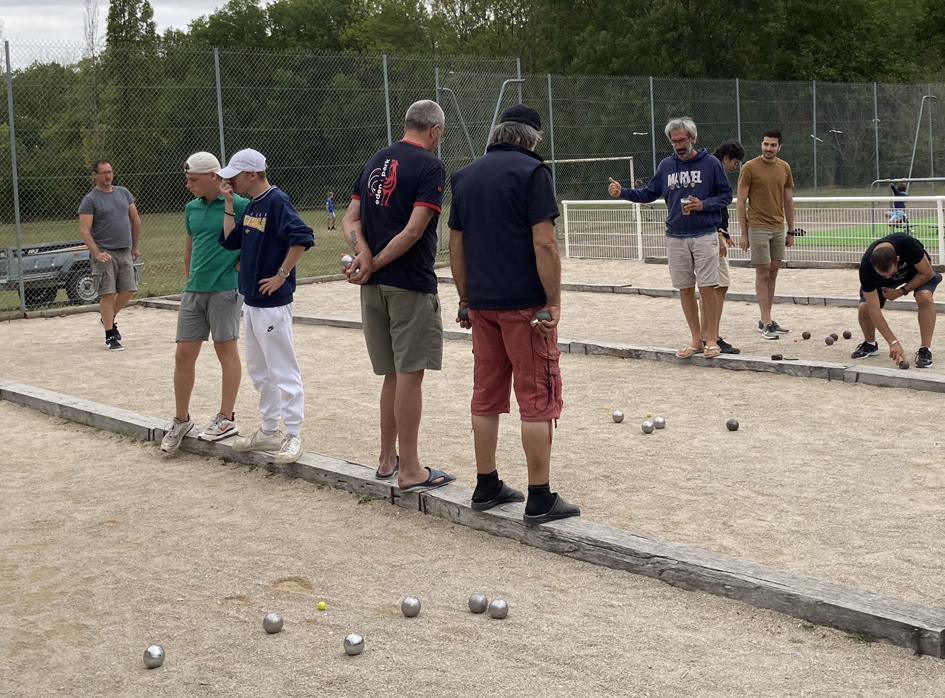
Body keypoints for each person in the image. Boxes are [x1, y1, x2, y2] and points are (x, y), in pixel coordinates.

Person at [449, 104, 581, 525]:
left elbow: (455, 244)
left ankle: (486, 483)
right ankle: (539, 497)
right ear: (531, 138)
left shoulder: (464, 176)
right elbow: (545, 243)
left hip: (482, 304)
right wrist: (553, 301)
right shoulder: (533, 173)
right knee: (536, 398)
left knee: (486, 395)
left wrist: (465, 299)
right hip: (526, 307)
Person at [341, 100, 456, 491]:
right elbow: (412, 231)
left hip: (371, 289)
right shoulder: (430, 166)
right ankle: (410, 468)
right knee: (410, 375)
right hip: (408, 283)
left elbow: (350, 218)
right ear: (434, 130)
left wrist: (364, 256)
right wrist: (375, 261)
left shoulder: (376, 158)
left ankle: (387, 459)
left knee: (391, 374)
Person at [218, 149, 314, 464]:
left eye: (235, 174)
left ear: (252, 174)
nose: (230, 179)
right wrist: (230, 204)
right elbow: (231, 241)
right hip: (253, 302)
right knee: (260, 370)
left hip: (272, 303)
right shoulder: (253, 205)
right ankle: (270, 429)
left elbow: (302, 237)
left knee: (282, 368)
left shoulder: (276, 201)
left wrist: (281, 274)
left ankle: (293, 434)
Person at [608, 117, 733, 358]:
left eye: (682, 140)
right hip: (675, 236)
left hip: (705, 233)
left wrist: (703, 204)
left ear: (693, 139)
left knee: (707, 287)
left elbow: (726, 196)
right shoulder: (666, 166)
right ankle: (696, 340)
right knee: (685, 289)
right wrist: (622, 192)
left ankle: (711, 340)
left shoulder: (710, 164)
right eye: (674, 141)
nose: (678, 145)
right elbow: (649, 193)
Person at [161, 152, 249, 453]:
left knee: (226, 351)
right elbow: (190, 249)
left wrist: (239, 269)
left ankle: (227, 418)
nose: (188, 186)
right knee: (183, 355)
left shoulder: (240, 206)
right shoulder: (191, 208)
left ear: (213, 176)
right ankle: (181, 419)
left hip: (224, 290)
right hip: (194, 291)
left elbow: (253, 245)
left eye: (193, 180)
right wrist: (189, 283)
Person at [736, 129, 796, 340]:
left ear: (779, 147)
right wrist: (744, 233)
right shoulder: (750, 168)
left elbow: (788, 200)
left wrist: (790, 230)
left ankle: (767, 319)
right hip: (757, 226)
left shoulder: (784, 167)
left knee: (773, 272)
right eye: (765, 144)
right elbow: (741, 202)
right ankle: (766, 322)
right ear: (761, 145)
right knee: (762, 273)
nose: (768, 148)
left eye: (773, 145)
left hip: (778, 227)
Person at [77, 160, 141, 351]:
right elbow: (85, 230)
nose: (108, 176)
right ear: (95, 175)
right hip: (104, 252)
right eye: (103, 173)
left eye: (110, 172)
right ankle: (109, 335)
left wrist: (135, 246)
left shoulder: (123, 193)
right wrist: (96, 253)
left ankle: (108, 317)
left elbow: (135, 220)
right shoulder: (90, 200)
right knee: (108, 292)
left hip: (124, 250)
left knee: (129, 289)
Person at [852, 232, 941, 368]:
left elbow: (927, 273)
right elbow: (873, 310)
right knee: (864, 308)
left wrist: (901, 291)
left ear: (898, 259)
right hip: (879, 282)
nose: (889, 278)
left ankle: (925, 349)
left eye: (891, 274)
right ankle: (870, 344)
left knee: (924, 297)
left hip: (917, 274)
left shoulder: (908, 244)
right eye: (884, 275)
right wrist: (893, 342)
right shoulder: (866, 268)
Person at [698, 139, 745, 354]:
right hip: (711, 235)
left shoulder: (709, 169)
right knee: (717, 287)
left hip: (715, 234)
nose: (734, 167)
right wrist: (717, 233)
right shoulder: (713, 172)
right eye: (734, 163)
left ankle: (705, 334)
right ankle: (710, 336)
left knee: (714, 287)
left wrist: (724, 233)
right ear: (725, 158)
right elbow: (710, 207)